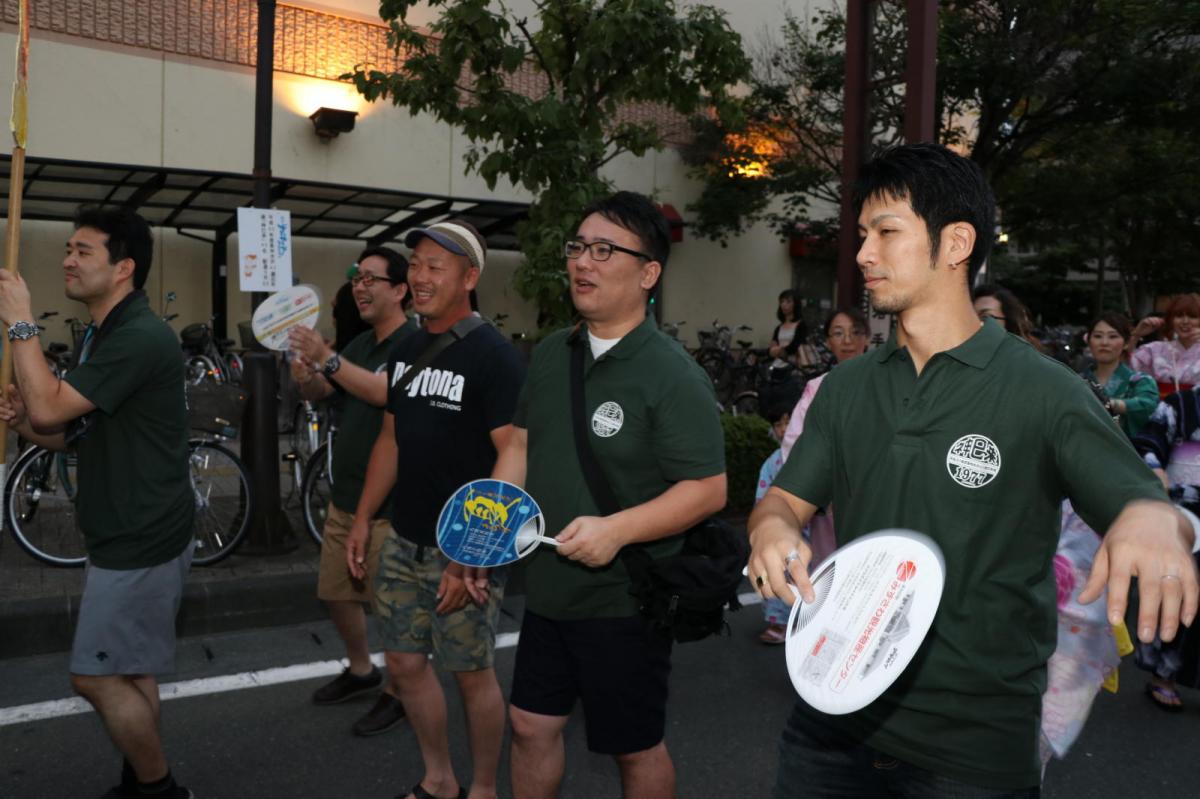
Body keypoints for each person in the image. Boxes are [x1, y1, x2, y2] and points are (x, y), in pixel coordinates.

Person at [748, 143, 1198, 797]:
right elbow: (785, 500)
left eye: (886, 232)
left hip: (975, 747)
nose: (864, 254)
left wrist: (1156, 523)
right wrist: (770, 528)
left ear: (955, 242)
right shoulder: (845, 389)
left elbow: (1138, 498)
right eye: (862, 235)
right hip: (831, 718)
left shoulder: (1042, 389)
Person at [488, 191, 726, 799]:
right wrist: (489, 524)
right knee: (528, 725)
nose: (582, 263)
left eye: (603, 251)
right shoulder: (550, 355)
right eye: (577, 248)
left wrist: (615, 530)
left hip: (624, 601)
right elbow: (518, 444)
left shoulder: (672, 373)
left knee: (633, 748)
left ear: (648, 273)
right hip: (547, 590)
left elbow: (708, 490)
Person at [0, 206, 195, 799]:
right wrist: (21, 420)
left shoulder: (139, 335)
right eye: (68, 248)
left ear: (124, 267)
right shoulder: (104, 333)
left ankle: (159, 788)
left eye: (84, 251)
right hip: (124, 526)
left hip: (142, 533)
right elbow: (64, 429)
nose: (67, 259)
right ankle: (139, 776)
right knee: (130, 669)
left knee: (92, 675)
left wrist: (20, 323)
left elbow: (53, 406)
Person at [349, 220, 524, 799]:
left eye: (435, 267)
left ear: (469, 277)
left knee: (472, 673)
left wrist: (469, 552)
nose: (420, 277)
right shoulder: (406, 347)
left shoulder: (494, 356)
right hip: (403, 537)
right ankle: (439, 778)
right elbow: (390, 440)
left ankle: (482, 788)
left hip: (465, 550)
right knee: (403, 664)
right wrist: (362, 516)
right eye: (415, 264)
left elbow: (512, 456)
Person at [287, 247, 417, 736]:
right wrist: (306, 372)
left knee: (394, 610)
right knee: (336, 593)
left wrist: (326, 356)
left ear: (400, 290)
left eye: (371, 279)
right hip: (347, 496)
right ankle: (363, 671)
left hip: (391, 505)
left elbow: (384, 392)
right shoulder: (361, 345)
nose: (359, 287)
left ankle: (399, 692)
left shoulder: (413, 343)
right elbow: (323, 392)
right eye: (356, 278)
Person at [758, 307, 869, 645]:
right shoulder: (817, 388)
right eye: (838, 332)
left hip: (875, 512)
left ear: (867, 337)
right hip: (827, 516)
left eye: (853, 332)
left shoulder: (888, 385)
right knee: (830, 594)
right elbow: (795, 449)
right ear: (827, 342)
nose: (847, 341)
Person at [1130, 389, 1200, 711]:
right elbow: (1148, 442)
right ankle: (1164, 674)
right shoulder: (1180, 405)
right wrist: (1156, 470)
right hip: (1182, 509)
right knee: (1179, 590)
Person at [1081, 311, 1158, 439]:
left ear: (1126, 343)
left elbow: (1148, 405)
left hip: (1128, 453)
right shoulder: (1076, 380)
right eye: (1098, 336)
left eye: (1113, 336)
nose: (1104, 342)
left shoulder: (1140, 381)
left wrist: (1111, 404)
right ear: (1089, 341)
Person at [1130, 293, 1200, 397]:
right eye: (1179, 316)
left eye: (1192, 316)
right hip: (1160, 408)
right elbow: (1124, 368)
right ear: (1171, 320)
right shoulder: (1154, 349)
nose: (1185, 321)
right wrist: (1136, 335)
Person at [973, 283, 1042, 349]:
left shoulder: (1026, 358)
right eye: (971, 317)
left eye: (985, 317)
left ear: (1009, 321)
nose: (976, 323)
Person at [768, 289, 805, 367]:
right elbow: (771, 349)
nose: (784, 304)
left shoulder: (801, 325)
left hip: (794, 368)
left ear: (796, 304)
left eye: (788, 301)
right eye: (782, 301)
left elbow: (795, 346)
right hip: (777, 366)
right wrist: (776, 350)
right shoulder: (779, 327)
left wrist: (779, 350)